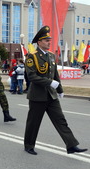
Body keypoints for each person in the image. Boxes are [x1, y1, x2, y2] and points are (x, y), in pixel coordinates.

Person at [24, 26, 87, 155]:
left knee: (61, 120)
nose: (49, 42)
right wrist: (49, 82)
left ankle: (71, 145)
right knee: (34, 123)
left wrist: (60, 89)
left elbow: (55, 75)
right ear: (39, 42)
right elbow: (32, 76)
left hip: (51, 96)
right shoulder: (32, 57)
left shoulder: (52, 56)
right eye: (46, 40)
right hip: (37, 96)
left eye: (49, 40)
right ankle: (29, 145)